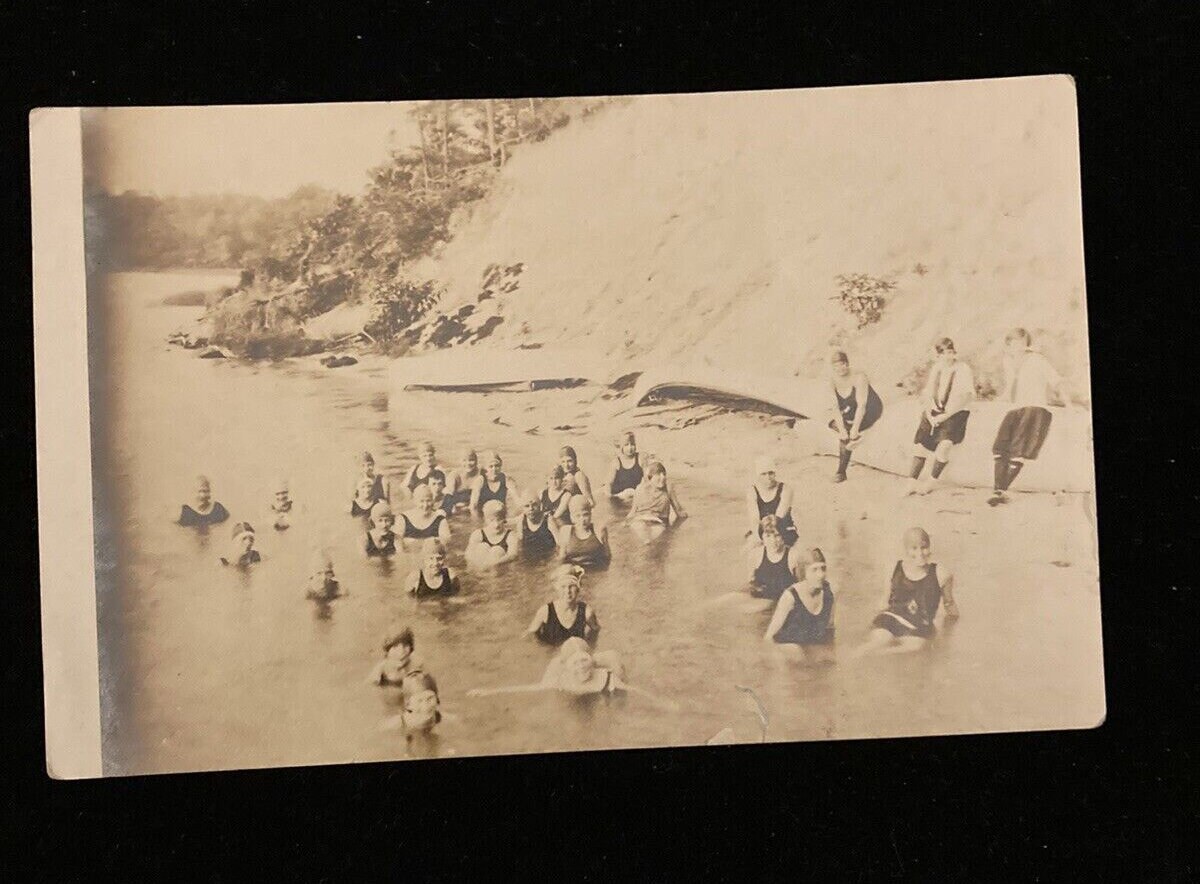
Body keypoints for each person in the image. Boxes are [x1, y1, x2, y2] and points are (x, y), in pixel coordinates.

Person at [467, 638, 676, 709]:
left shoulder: (606, 677)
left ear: (592, 661)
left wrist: (663, 702)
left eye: (584, 660)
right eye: (575, 663)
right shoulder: (561, 680)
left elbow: (635, 690)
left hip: (600, 696)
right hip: (571, 696)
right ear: (567, 666)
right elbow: (529, 689)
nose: (581, 666)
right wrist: (489, 692)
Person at [989, 328, 1067, 506]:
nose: (1019, 347)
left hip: (1035, 408)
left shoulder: (1037, 360)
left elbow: (1056, 381)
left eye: (1022, 343)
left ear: (1027, 344)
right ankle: (998, 491)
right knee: (999, 449)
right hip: (1015, 409)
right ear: (1008, 345)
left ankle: (999, 491)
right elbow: (1010, 387)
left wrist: (1068, 403)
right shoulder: (1008, 361)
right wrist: (1001, 398)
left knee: (1018, 452)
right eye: (1014, 343)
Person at [855, 528, 959, 657]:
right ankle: (850, 660)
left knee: (915, 647)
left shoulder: (941, 573)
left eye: (924, 547)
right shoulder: (895, 568)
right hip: (891, 618)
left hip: (918, 626)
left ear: (930, 547)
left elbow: (949, 603)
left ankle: (877, 656)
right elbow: (884, 600)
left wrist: (951, 630)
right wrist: (869, 624)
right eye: (914, 548)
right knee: (877, 642)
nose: (920, 553)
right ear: (906, 550)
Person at [909, 338, 975, 493]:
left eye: (951, 353)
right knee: (919, 447)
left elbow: (967, 396)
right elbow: (928, 393)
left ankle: (930, 484)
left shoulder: (963, 369)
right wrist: (929, 414)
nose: (948, 357)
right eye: (944, 354)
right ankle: (911, 483)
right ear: (938, 356)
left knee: (944, 447)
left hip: (955, 413)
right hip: (934, 412)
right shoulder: (936, 368)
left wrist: (946, 415)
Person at [763, 548, 835, 662]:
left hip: (810, 651)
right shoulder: (790, 596)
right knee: (796, 651)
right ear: (804, 572)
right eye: (814, 570)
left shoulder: (828, 594)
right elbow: (768, 638)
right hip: (788, 653)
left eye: (823, 568)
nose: (821, 575)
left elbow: (830, 631)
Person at [827, 350, 884, 482]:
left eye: (842, 364)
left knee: (850, 430)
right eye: (836, 366)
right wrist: (842, 430)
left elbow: (862, 405)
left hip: (870, 409)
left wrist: (854, 429)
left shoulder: (859, 377)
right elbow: (835, 407)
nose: (840, 368)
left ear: (847, 364)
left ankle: (841, 472)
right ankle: (853, 438)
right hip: (851, 408)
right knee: (838, 426)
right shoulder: (832, 380)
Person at [525, 565, 600, 646]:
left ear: (578, 588)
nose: (568, 591)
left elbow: (595, 631)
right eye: (563, 587)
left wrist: (588, 645)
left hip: (573, 652)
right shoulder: (545, 612)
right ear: (557, 589)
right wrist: (541, 649)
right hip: (550, 651)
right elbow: (529, 636)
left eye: (571, 586)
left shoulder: (586, 612)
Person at [627, 461, 688, 543]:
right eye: (658, 474)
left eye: (664, 474)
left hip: (658, 521)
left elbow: (679, 512)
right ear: (650, 477)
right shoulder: (640, 489)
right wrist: (625, 523)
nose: (663, 477)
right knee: (645, 535)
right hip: (640, 520)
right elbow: (632, 512)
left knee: (651, 540)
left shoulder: (668, 489)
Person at [747, 456, 798, 545]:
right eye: (763, 474)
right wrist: (758, 537)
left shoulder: (786, 489)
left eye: (770, 473)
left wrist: (772, 539)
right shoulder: (752, 491)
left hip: (784, 530)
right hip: (762, 531)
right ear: (758, 476)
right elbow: (754, 518)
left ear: (775, 473)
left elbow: (779, 517)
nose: (768, 477)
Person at [557, 496, 611, 569]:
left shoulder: (599, 530)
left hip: (596, 570)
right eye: (577, 516)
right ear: (571, 517)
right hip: (575, 571)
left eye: (585, 514)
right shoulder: (566, 531)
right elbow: (561, 559)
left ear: (590, 514)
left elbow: (607, 556)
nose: (582, 520)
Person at [465, 499, 520, 568]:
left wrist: (493, 564)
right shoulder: (478, 534)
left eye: (499, 519)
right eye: (491, 520)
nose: (496, 524)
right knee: (482, 547)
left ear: (504, 519)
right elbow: (468, 555)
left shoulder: (510, 535)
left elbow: (513, 555)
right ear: (485, 519)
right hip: (480, 567)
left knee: (497, 550)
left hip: (500, 568)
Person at [605, 432, 645, 500]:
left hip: (637, 495)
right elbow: (609, 484)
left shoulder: (640, 458)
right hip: (620, 497)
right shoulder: (616, 462)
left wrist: (639, 490)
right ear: (621, 447)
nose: (630, 448)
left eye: (632, 444)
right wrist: (613, 496)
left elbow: (647, 478)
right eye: (626, 445)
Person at [518, 495, 558, 559]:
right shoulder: (522, 520)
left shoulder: (548, 519)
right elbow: (520, 544)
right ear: (523, 509)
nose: (531, 508)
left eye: (534, 505)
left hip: (548, 558)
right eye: (527, 506)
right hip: (529, 560)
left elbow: (559, 544)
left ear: (540, 506)